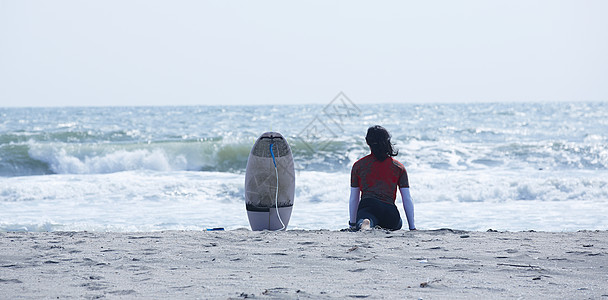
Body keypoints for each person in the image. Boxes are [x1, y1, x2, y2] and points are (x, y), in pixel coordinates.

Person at [349, 125, 416, 231]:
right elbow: (407, 198)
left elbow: (354, 198)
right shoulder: (398, 167)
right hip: (390, 214)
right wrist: (412, 227)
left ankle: (365, 224)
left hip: (368, 208)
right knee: (397, 224)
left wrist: (352, 224)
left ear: (368, 142)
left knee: (366, 219)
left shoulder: (359, 165)